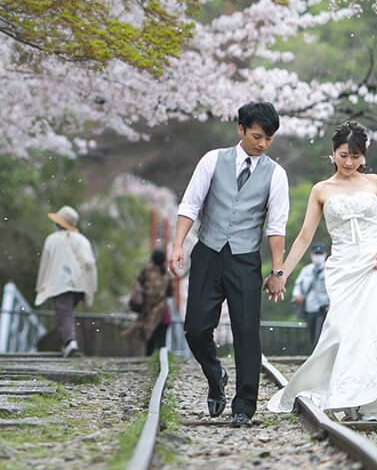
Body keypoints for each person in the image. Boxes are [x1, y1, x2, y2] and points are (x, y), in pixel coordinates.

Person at [267, 122, 377, 421]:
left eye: (356, 156)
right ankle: (350, 395)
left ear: (364, 156)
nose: (349, 162)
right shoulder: (321, 189)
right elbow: (305, 237)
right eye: (343, 155)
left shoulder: (375, 182)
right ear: (332, 153)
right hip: (343, 268)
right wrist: (281, 273)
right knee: (345, 331)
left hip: (376, 262)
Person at [167, 102, 290, 428]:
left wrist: (277, 271)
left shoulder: (276, 174)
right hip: (208, 253)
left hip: (245, 259)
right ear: (241, 129)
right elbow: (190, 203)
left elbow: (276, 227)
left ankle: (243, 407)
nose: (262, 144)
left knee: (247, 333)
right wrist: (178, 244)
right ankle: (214, 372)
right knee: (195, 328)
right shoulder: (212, 160)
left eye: (269, 138)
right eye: (257, 135)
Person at [35, 205, 98, 358]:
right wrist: (90, 286)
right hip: (79, 284)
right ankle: (66, 343)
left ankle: (70, 342)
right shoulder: (82, 240)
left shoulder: (52, 239)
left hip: (59, 283)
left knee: (63, 313)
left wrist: (41, 286)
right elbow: (89, 263)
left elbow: (45, 263)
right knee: (67, 312)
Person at [123, 248, 173, 356]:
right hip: (162, 311)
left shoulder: (146, 271)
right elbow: (171, 293)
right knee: (162, 341)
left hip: (148, 310)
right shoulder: (166, 275)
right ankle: (161, 360)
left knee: (149, 338)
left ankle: (148, 359)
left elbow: (137, 285)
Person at [292, 243, 330, 348]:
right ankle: (314, 355)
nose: (318, 256)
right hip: (310, 307)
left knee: (320, 336)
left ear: (325, 254)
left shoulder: (329, 269)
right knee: (313, 334)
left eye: (320, 254)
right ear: (311, 255)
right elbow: (298, 285)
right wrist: (297, 295)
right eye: (316, 254)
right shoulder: (306, 270)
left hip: (324, 309)